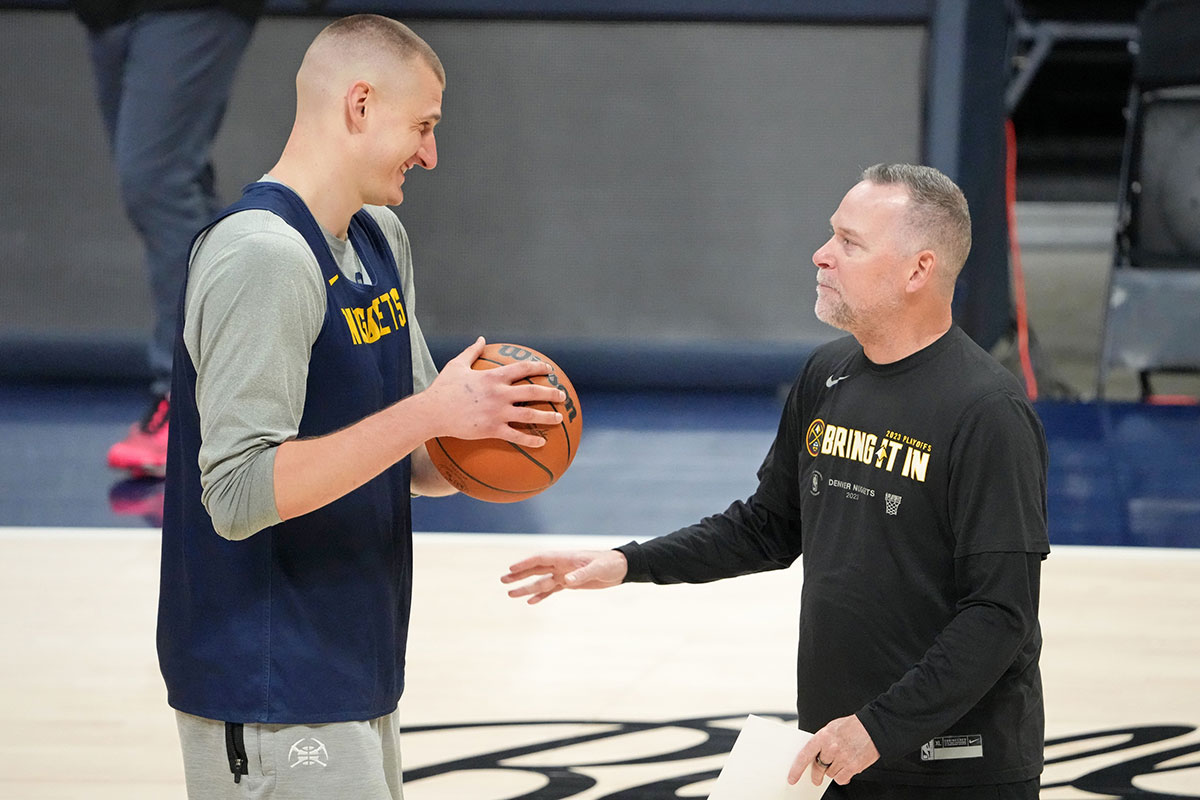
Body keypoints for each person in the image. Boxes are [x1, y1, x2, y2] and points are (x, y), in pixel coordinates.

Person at [503, 164, 1050, 799]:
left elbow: (999, 615)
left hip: (956, 771)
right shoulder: (827, 376)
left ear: (918, 271)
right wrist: (626, 561)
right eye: (830, 235)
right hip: (836, 752)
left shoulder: (988, 413)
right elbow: (767, 527)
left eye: (850, 242)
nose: (822, 255)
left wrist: (878, 729)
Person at [157, 16, 566, 799]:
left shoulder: (379, 237)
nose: (431, 152)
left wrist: (491, 437)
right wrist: (430, 414)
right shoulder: (263, 256)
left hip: (354, 667)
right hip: (270, 687)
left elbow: (411, 458)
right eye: (423, 126)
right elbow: (239, 495)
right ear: (359, 105)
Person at [70, 0, 263, 477]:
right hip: (108, 12)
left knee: (160, 183)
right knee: (179, 186)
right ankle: (243, 386)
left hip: (188, 7)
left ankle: (189, 398)